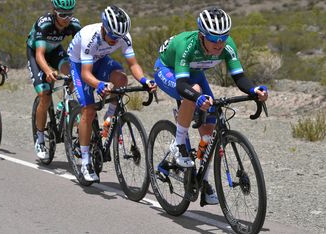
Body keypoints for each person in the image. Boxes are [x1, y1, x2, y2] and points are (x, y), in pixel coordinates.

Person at [153, 7, 268, 206]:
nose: (219, 44)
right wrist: (196, 97)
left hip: (195, 73)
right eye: (214, 39)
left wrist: (253, 91)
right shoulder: (187, 45)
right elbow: (182, 85)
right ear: (201, 36)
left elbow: (239, 77)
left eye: (223, 38)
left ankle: (203, 181)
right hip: (168, 70)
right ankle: (178, 143)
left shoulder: (227, 45)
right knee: (194, 92)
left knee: (209, 131)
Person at [68, 5, 156, 182]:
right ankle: (85, 161)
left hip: (100, 60)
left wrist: (145, 81)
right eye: (112, 37)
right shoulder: (89, 36)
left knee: (121, 80)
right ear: (104, 28)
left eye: (119, 38)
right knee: (89, 110)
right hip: (80, 64)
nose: (116, 41)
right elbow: (86, 73)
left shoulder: (123, 36)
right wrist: (99, 84)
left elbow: (133, 64)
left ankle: (109, 119)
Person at [26, 0, 81, 160]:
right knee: (44, 94)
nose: (66, 19)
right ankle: (40, 138)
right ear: (54, 11)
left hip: (56, 51)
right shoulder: (45, 24)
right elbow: (39, 55)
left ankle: (64, 104)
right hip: (37, 53)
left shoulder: (74, 25)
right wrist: (48, 70)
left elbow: (82, 50)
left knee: (73, 74)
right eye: (62, 15)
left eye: (69, 14)